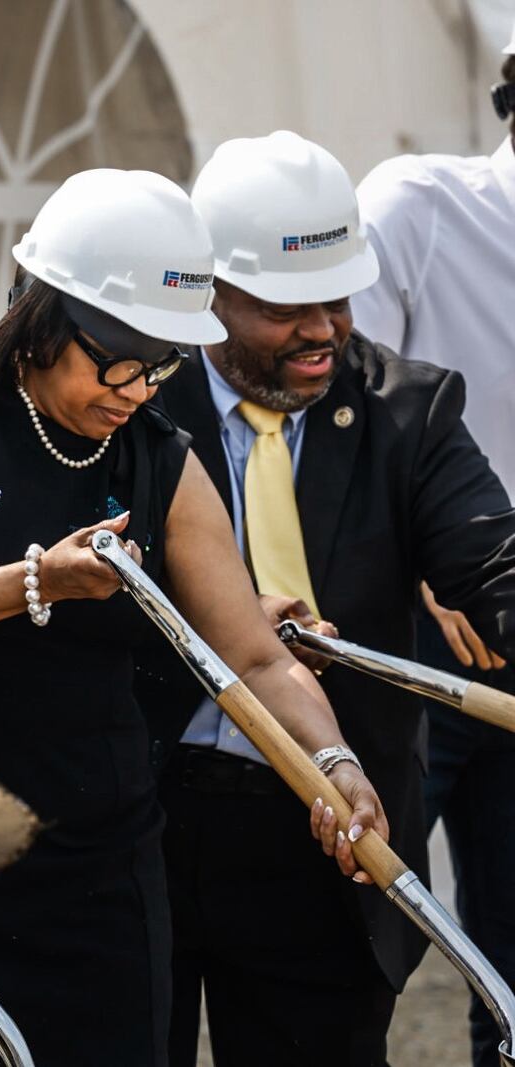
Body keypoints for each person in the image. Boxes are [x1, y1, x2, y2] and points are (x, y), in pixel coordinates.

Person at [0, 167, 389, 1065]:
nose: (137, 387)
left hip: (97, 873)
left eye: (162, 363)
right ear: (42, 317)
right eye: (118, 358)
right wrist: (31, 583)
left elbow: (253, 655)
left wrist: (335, 762)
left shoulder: (160, 458)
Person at [140, 130, 515, 1067]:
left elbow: (496, 568)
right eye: (285, 306)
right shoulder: (127, 401)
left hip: (331, 829)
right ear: (206, 291)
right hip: (139, 821)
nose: (324, 329)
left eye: (338, 297)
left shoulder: (408, 410)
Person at [350, 32, 515, 1065]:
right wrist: (420, 561)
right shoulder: (417, 204)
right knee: (357, 931)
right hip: (402, 630)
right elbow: (334, 403)